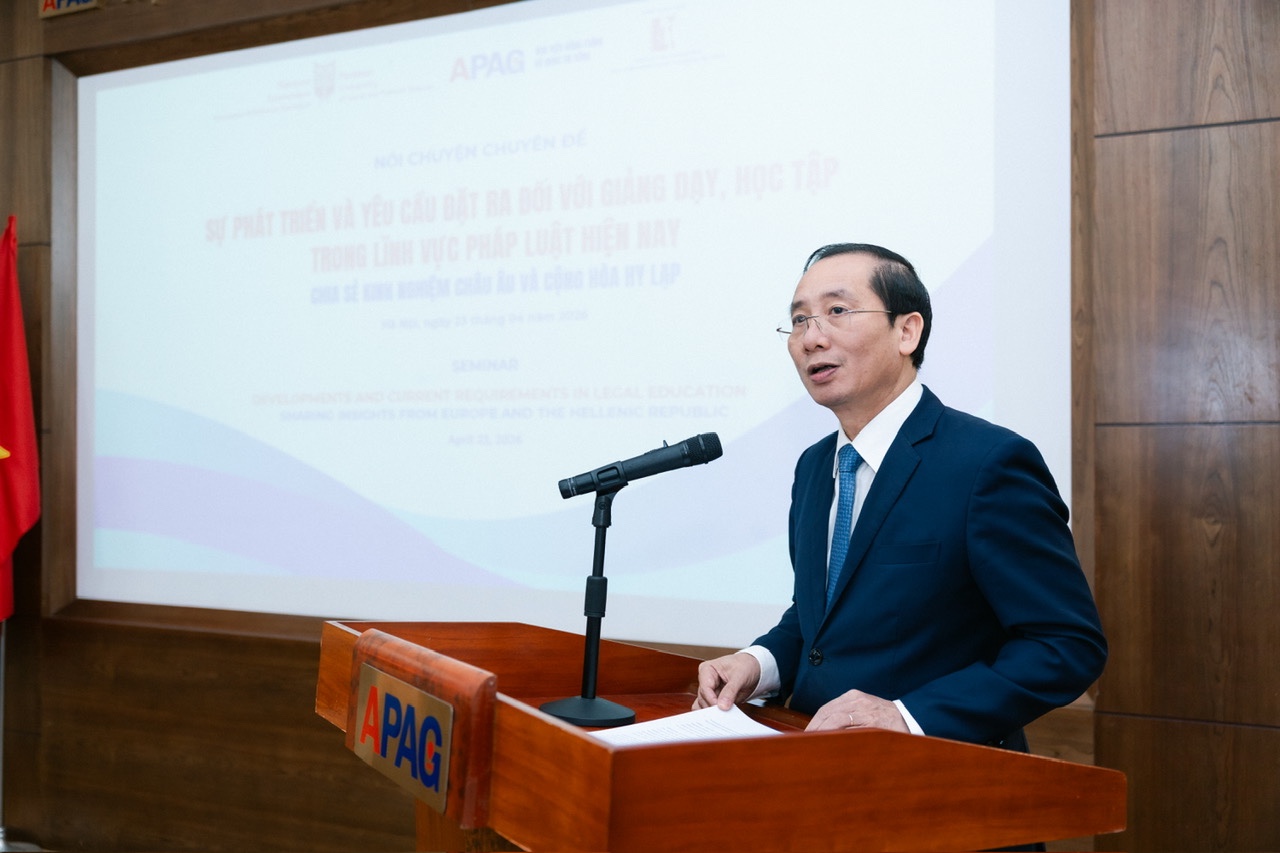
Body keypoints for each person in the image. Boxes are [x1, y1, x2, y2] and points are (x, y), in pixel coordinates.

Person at [694, 242, 1106, 750]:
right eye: (799, 320)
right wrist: (759, 663)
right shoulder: (815, 466)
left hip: (938, 773)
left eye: (837, 311)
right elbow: (821, 622)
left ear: (907, 331)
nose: (811, 338)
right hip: (817, 762)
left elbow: (1065, 645)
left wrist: (908, 716)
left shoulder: (987, 463)